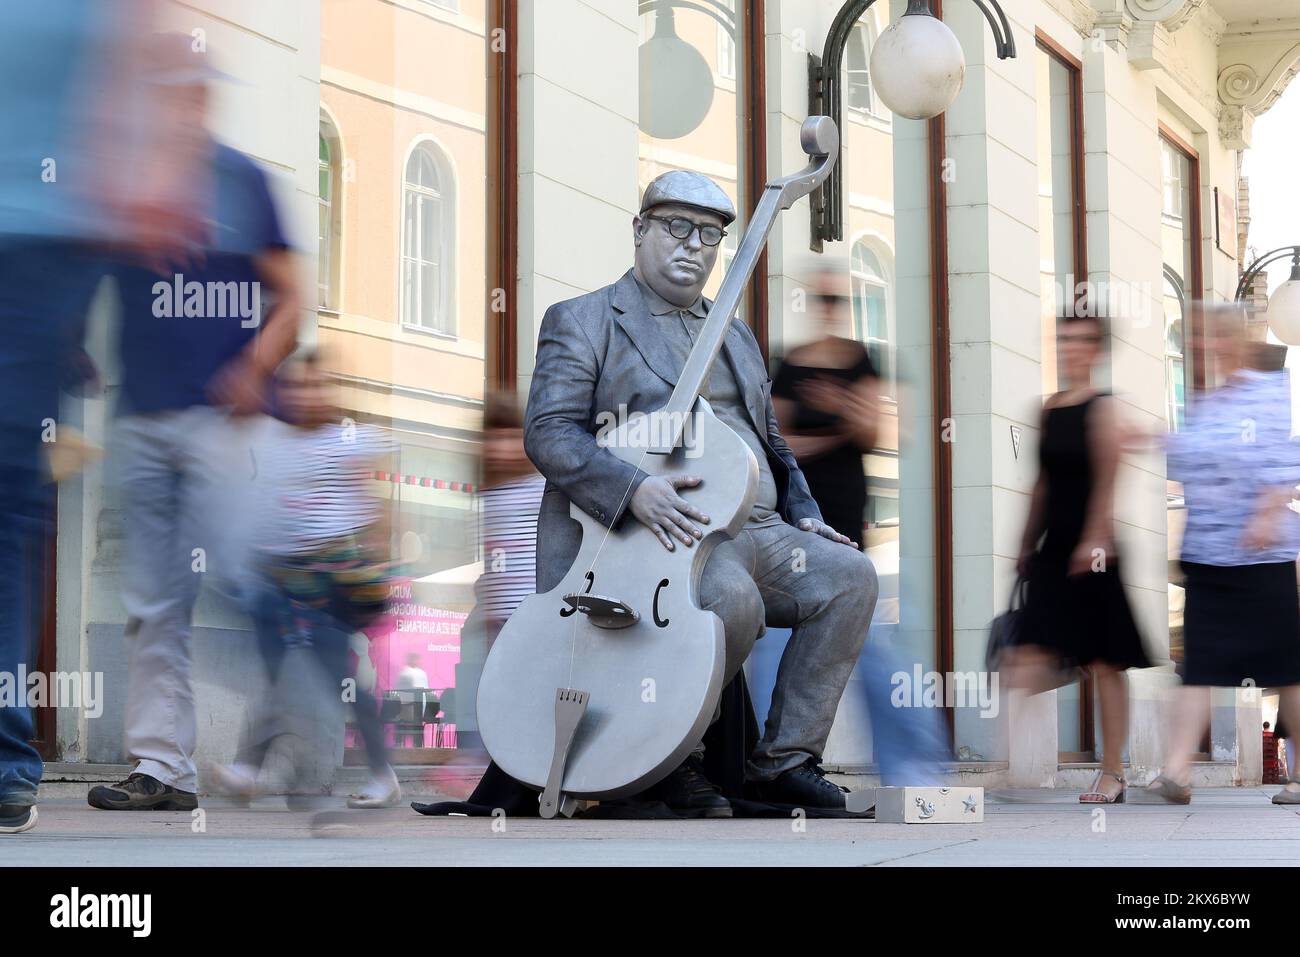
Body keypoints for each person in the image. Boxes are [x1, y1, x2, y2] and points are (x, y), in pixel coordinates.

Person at [523, 170, 877, 815]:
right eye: (676, 227)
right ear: (639, 231)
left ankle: (785, 762)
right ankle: (674, 762)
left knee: (851, 578)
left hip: (760, 527)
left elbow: (769, 437)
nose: (694, 246)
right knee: (729, 600)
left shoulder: (733, 332)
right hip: (666, 533)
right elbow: (549, 433)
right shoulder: (584, 319)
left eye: (710, 235)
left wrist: (804, 512)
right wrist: (632, 489)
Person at [0, 1, 200, 833]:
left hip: (41, 246)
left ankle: (11, 761)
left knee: (10, 509)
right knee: (10, 513)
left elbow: (141, 61)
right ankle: (8, 763)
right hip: (45, 244)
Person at [87, 35, 300, 812]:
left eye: (184, 90)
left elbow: (292, 294)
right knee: (155, 603)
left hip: (225, 424)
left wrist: (254, 365)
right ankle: (162, 768)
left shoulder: (242, 182)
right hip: (144, 418)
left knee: (249, 584)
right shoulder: (129, 185)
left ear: (203, 99)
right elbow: (93, 278)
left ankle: (288, 742)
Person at [209, 351, 399, 808]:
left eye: (314, 385)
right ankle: (248, 771)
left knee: (344, 679)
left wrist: (376, 562)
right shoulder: (269, 439)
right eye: (293, 386)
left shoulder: (346, 440)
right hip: (276, 579)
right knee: (278, 677)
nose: (303, 395)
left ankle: (382, 775)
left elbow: (376, 504)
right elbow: (258, 503)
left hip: (329, 583)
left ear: (329, 391)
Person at [1147, 304, 1300, 805]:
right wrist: (1150, 439)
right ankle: (1176, 772)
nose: (1210, 345)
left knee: (1286, 670)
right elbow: (1188, 457)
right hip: (1209, 556)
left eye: (1218, 335)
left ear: (1238, 338)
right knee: (1198, 669)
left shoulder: (1269, 391)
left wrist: (1268, 510)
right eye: (1204, 338)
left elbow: (1286, 459)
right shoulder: (1207, 403)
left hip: (1263, 557)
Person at [1004, 309, 1151, 804]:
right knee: (1026, 654)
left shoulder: (1104, 407)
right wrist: (1025, 542)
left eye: (1082, 340)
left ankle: (1113, 772)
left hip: (1095, 548)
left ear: (1097, 350)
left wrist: (1095, 537)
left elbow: (1109, 476)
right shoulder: (1048, 409)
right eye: (1064, 339)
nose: (1071, 348)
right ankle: (1016, 773)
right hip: (1053, 546)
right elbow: (1041, 481)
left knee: (1105, 663)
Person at [771, 265, 880, 542]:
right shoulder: (791, 363)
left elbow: (871, 434)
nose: (829, 308)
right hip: (802, 495)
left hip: (846, 494)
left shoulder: (858, 359)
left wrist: (839, 404)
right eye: (822, 299)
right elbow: (778, 444)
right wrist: (838, 434)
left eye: (837, 300)